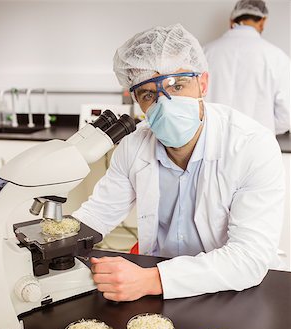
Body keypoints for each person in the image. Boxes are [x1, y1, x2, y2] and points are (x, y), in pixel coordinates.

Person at [72, 23, 284, 302]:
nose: (165, 103)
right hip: (156, 285)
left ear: (203, 83)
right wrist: (53, 238)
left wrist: (152, 279)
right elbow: (96, 216)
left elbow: (248, 258)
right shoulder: (134, 145)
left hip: (233, 289)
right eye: (149, 94)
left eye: (177, 85)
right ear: (136, 101)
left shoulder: (252, 145)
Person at [204, 0, 290, 135]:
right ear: (263, 21)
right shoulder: (277, 57)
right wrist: (263, 129)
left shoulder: (205, 52)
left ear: (231, 21)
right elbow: (286, 117)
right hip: (258, 145)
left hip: (213, 142)